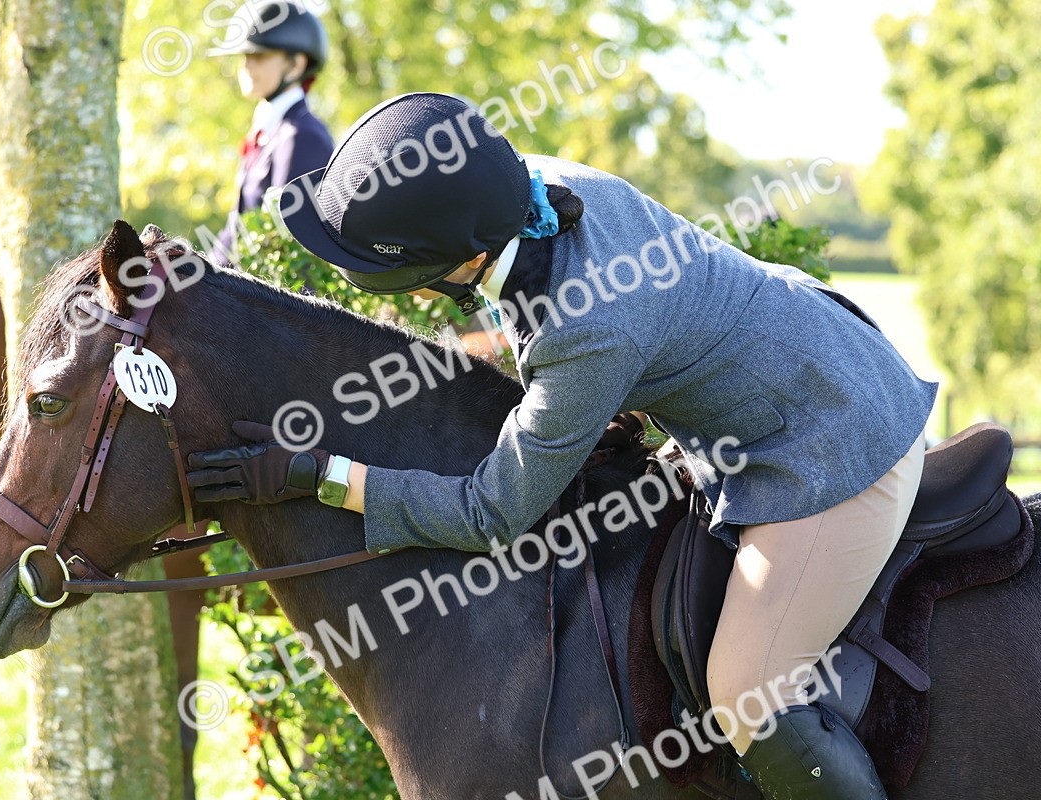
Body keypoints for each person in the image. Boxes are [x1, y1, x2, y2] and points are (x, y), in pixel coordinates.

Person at [187, 92, 934, 799]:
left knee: (747, 694)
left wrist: (322, 475)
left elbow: (489, 515)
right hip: (787, 365)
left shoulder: (586, 330)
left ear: (457, 259)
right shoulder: (521, 188)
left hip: (829, 437)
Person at [209, 0, 334, 265]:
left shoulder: (301, 136)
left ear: (296, 65)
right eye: (245, 57)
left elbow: (288, 243)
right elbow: (237, 228)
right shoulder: (269, 131)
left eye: (260, 56)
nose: (247, 66)